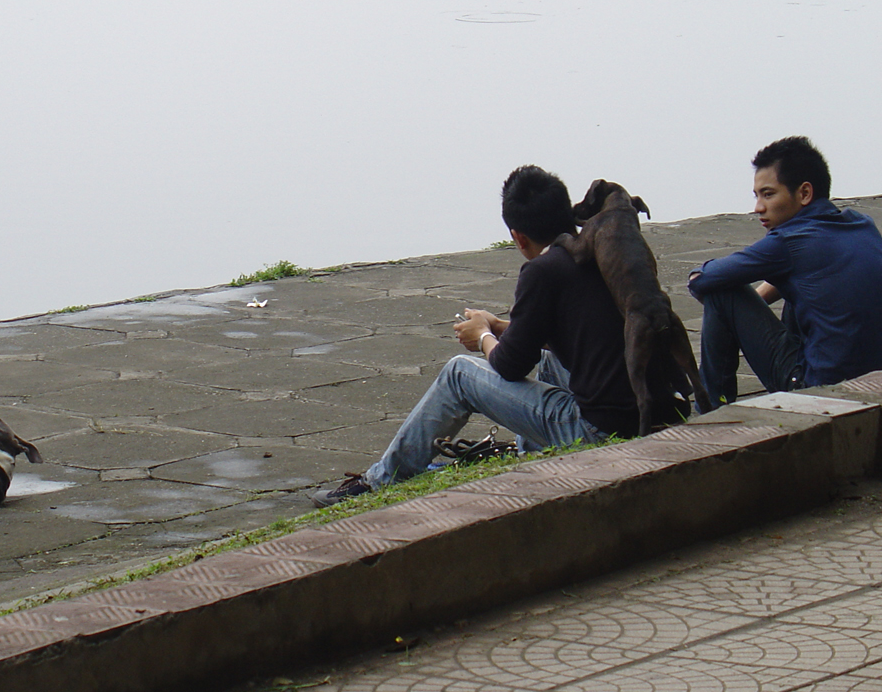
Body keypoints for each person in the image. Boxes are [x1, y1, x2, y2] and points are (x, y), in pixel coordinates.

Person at [312, 165, 667, 508]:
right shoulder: (597, 253)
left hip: (600, 430)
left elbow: (510, 365)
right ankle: (536, 453)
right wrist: (499, 326)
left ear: (518, 236)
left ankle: (379, 481)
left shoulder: (541, 271)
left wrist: (482, 335)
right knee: (547, 359)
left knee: (459, 374)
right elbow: (564, 334)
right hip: (647, 411)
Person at [687, 136, 882, 408]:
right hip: (872, 384)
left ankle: (710, 411)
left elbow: (704, 281)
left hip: (818, 391)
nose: (758, 208)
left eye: (768, 194)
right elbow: (805, 270)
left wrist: (708, 285)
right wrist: (757, 302)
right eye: (756, 196)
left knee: (723, 292)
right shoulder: (862, 223)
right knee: (800, 288)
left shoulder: (787, 242)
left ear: (804, 193)